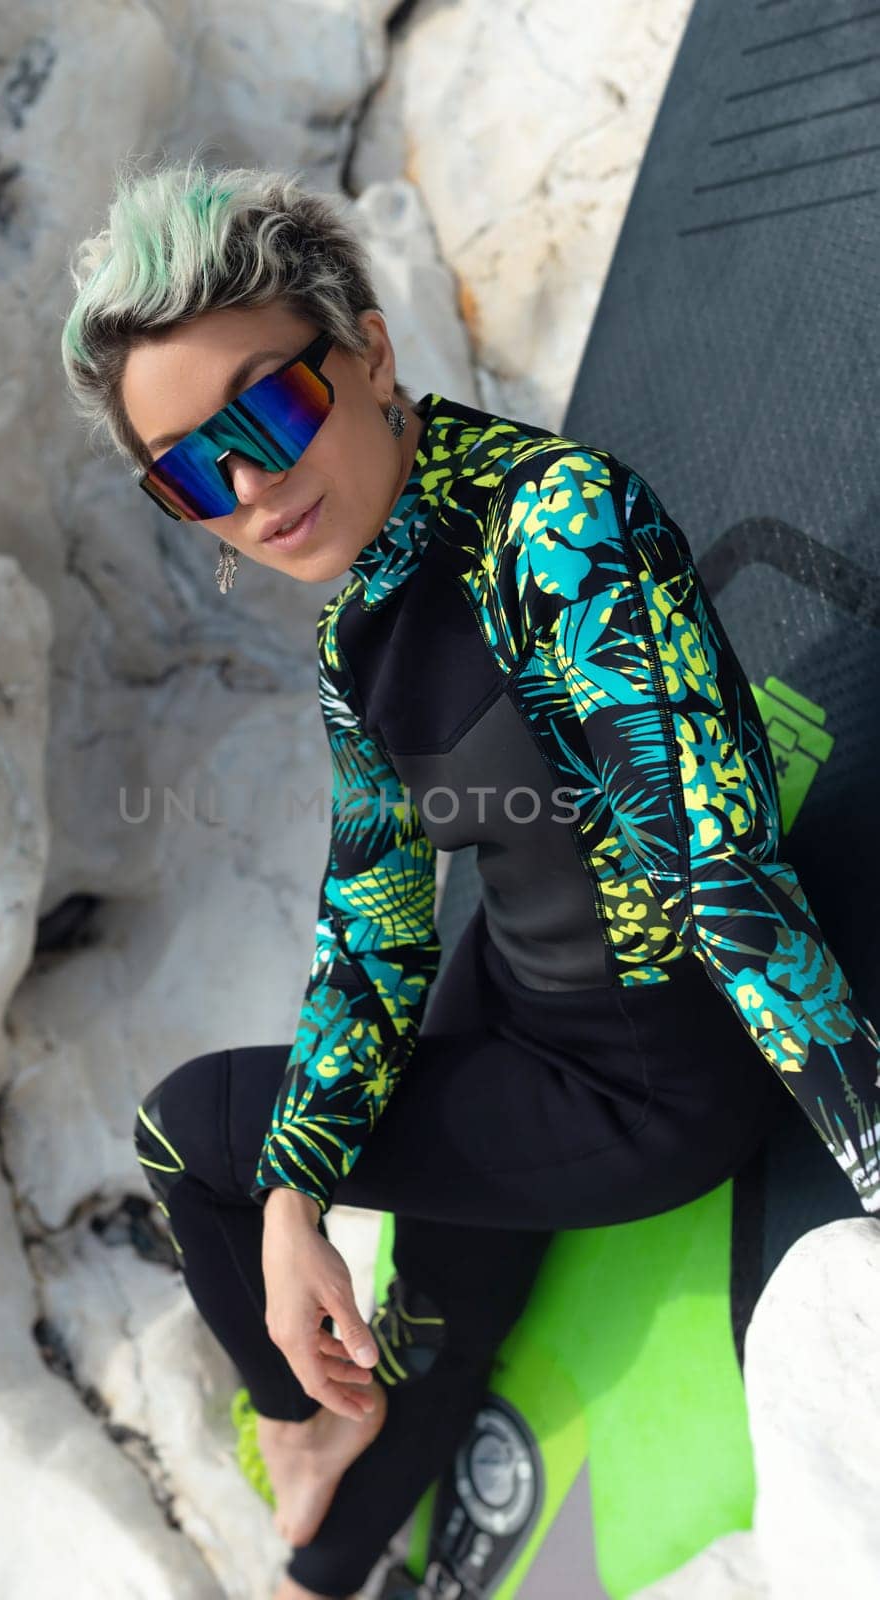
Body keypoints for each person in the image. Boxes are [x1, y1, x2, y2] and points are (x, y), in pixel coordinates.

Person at [60, 153, 880, 1600]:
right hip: (508, 998)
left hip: (641, 1088)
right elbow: (375, 924)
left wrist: (875, 1154)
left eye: (269, 409)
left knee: (191, 1133)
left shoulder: (564, 529)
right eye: (192, 472)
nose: (247, 488)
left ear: (369, 349)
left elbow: (720, 873)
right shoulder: (356, 625)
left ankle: (297, 1437)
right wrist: (303, 1191)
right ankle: (324, 1546)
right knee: (406, 1316)